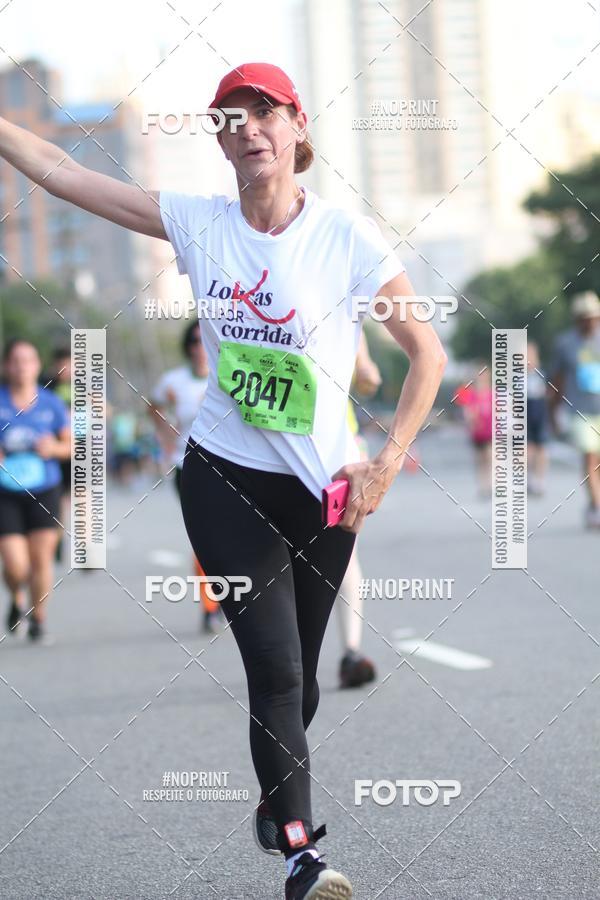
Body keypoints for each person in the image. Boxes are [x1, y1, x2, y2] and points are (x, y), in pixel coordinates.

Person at [0, 62, 447, 899]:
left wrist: (385, 460)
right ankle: (299, 853)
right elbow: (67, 176)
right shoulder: (199, 224)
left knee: (304, 682)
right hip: (224, 479)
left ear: (296, 125)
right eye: (228, 119)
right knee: (274, 672)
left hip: (326, 493)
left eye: (262, 113)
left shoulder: (346, 236)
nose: (246, 129)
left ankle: (275, 796)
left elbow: (427, 354)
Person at [149, 321, 220, 634]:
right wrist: (166, 437)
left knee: (233, 537)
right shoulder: (173, 381)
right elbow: (153, 407)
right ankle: (209, 607)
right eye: (192, 341)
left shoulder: (229, 372)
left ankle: (232, 597)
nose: (198, 347)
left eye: (202, 340)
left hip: (231, 466)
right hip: (188, 465)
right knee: (206, 537)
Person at [0, 339, 71, 643]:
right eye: (16, 361)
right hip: (6, 491)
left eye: (28, 360)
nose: (22, 367)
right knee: (17, 565)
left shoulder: (52, 403)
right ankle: (16, 595)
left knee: (41, 559)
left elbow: (72, 446)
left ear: (37, 366)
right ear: (6, 366)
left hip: (45, 488)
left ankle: (38, 618)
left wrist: (53, 448)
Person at [336, 332, 381, 689]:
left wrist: (366, 373)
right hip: (261, 453)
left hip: (338, 452)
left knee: (344, 551)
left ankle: (351, 651)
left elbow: (367, 373)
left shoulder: (346, 314)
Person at [549, 290, 600, 529]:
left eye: (593, 316)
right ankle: (598, 507)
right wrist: (554, 414)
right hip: (580, 410)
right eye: (585, 317)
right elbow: (557, 382)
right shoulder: (565, 344)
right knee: (589, 455)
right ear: (577, 318)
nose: (590, 321)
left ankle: (593, 503)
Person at [46, 346, 72, 561]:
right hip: (57, 449)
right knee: (60, 498)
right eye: (62, 364)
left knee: (83, 497)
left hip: (82, 448)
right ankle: (58, 538)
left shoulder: (85, 385)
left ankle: (86, 547)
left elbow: (105, 411)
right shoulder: (47, 388)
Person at [459, 365, 493, 497]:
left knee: (490, 457)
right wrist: (471, 418)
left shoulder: (492, 393)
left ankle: (490, 484)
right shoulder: (472, 394)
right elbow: (467, 411)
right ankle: (482, 485)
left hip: (490, 432)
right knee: (479, 459)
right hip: (477, 432)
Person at [526, 341, 548, 497]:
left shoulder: (542, 374)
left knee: (541, 449)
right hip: (524, 414)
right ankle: (528, 480)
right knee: (526, 449)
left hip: (539, 413)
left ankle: (539, 480)